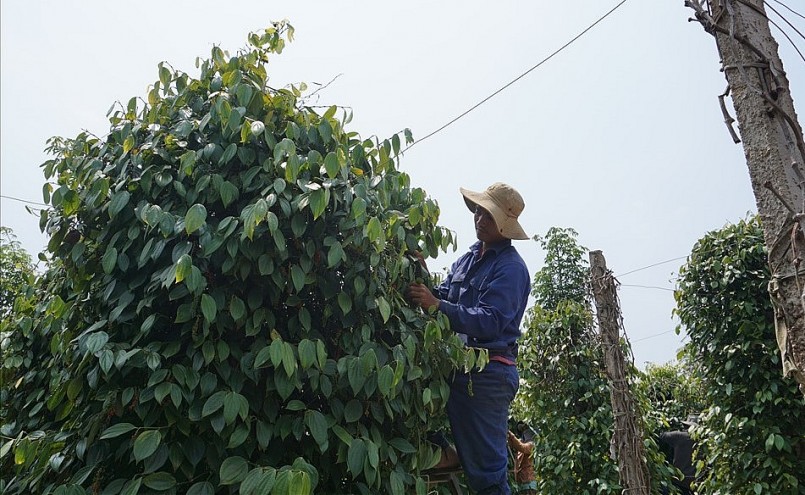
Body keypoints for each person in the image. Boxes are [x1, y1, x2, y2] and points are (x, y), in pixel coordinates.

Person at [408, 182, 531, 495]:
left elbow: (489, 321)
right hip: (457, 367)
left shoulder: (511, 268)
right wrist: (421, 273)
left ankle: (457, 458)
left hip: (487, 374)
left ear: (504, 225)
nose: (480, 219)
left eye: (489, 215)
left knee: (488, 478)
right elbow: (442, 296)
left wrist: (437, 305)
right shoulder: (468, 259)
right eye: (478, 212)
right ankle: (450, 454)